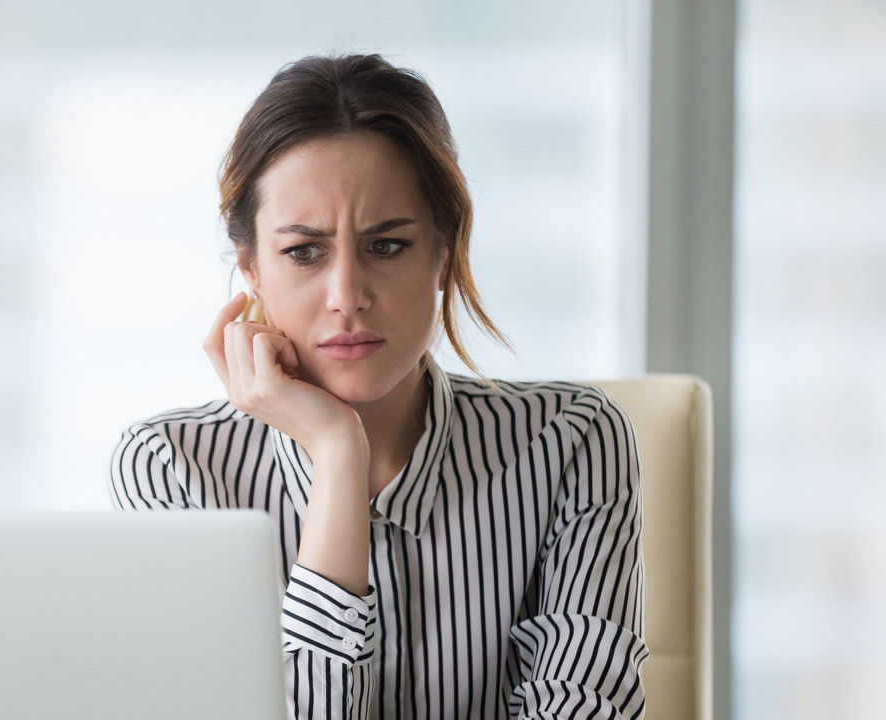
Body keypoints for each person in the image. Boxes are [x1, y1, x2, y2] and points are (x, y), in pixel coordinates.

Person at [108, 53, 648, 720]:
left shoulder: (572, 442)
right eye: (304, 252)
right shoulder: (173, 471)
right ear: (250, 268)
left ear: (442, 255)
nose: (346, 297)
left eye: (386, 246)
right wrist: (337, 455)